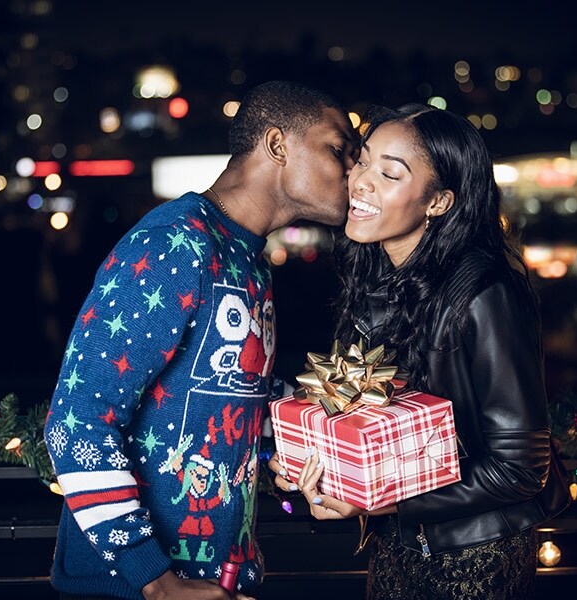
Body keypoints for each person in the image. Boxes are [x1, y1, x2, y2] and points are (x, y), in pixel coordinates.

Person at [43, 80, 358, 600]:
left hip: (218, 578)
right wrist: (156, 581)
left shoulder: (246, 257)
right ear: (277, 145)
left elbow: (226, 385)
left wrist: (327, 416)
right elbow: (77, 419)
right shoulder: (175, 243)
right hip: (133, 587)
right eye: (337, 150)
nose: (353, 171)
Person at [269, 104, 570, 599]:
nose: (360, 182)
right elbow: (371, 422)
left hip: (475, 560)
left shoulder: (487, 292)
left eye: (389, 173)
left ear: (438, 202)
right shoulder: (374, 279)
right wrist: (321, 464)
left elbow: (520, 470)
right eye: (362, 161)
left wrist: (380, 503)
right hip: (397, 546)